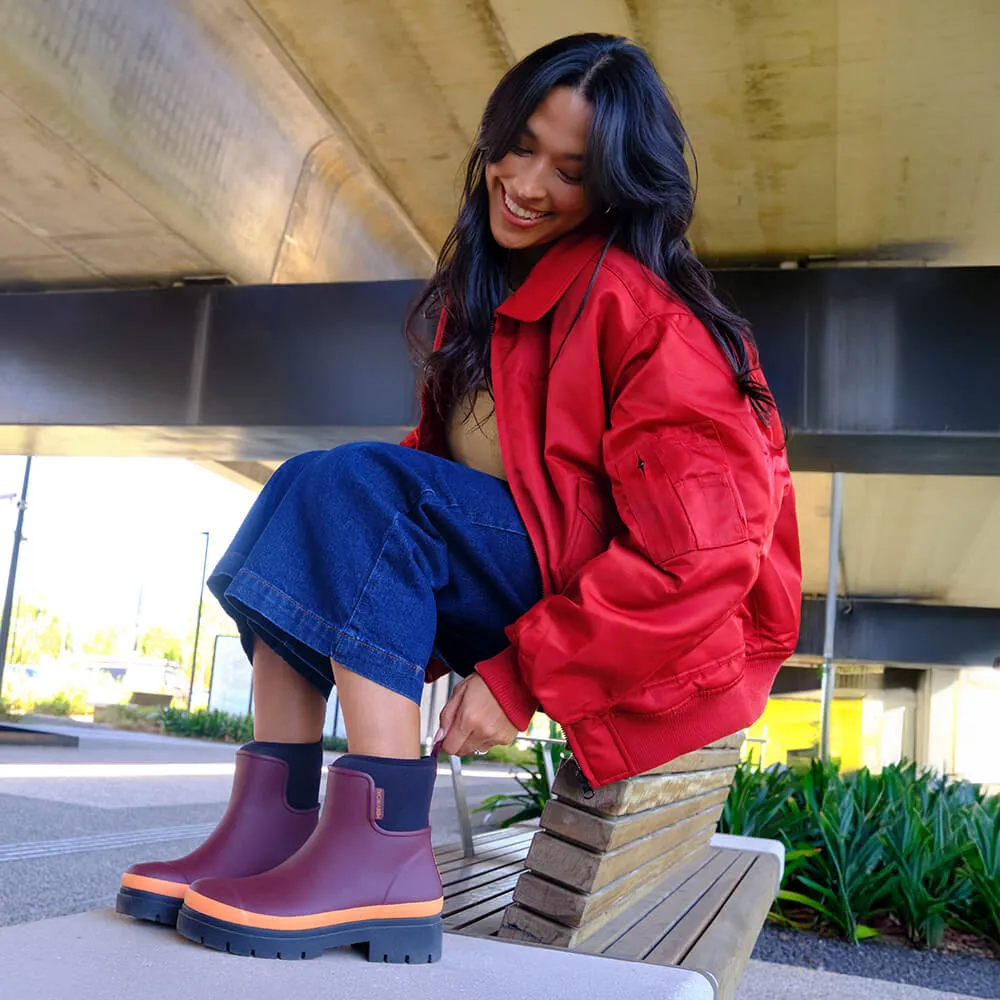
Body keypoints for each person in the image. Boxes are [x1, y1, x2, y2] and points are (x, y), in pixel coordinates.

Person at [116, 33, 801, 965]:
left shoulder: (643, 317)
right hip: (541, 573)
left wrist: (521, 677)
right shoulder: (489, 300)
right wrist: (346, 542)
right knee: (309, 495)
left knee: (353, 492)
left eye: (568, 169)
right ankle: (270, 826)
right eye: (517, 145)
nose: (524, 182)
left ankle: (384, 852)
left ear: (612, 189)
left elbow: (703, 561)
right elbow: (448, 484)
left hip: (645, 624)